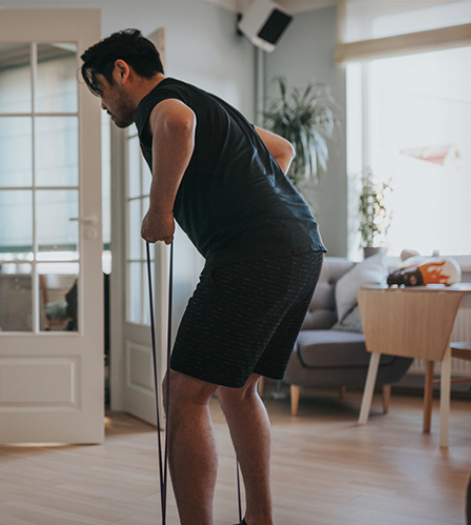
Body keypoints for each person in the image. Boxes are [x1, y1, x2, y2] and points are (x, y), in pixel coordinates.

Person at [81, 29, 325, 525]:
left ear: (122, 72)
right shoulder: (210, 103)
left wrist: (161, 210)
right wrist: (250, 199)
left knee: (183, 393)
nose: (102, 105)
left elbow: (178, 125)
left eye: (99, 89)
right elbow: (281, 151)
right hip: (302, 246)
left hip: (253, 255)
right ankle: (259, 518)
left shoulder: (162, 105)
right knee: (238, 389)